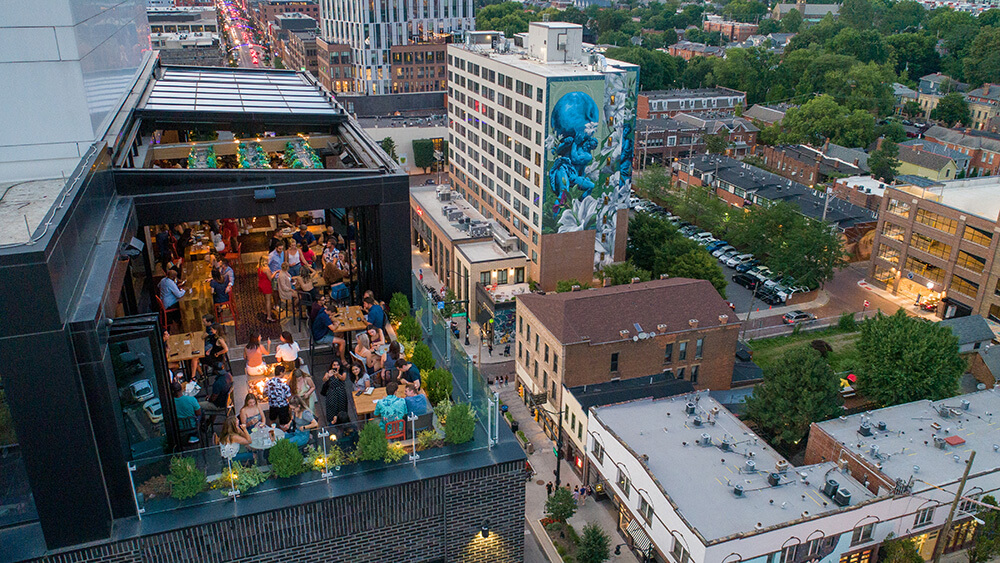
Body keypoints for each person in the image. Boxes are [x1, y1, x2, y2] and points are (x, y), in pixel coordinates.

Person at [257, 256, 277, 323]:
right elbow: (270, 278)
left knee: (265, 299)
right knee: (268, 301)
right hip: (267, 285)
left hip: (261, 284)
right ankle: (269, 317)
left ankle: (266, 311)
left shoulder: (259, 267)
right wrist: (275, 272)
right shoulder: (266, 269)